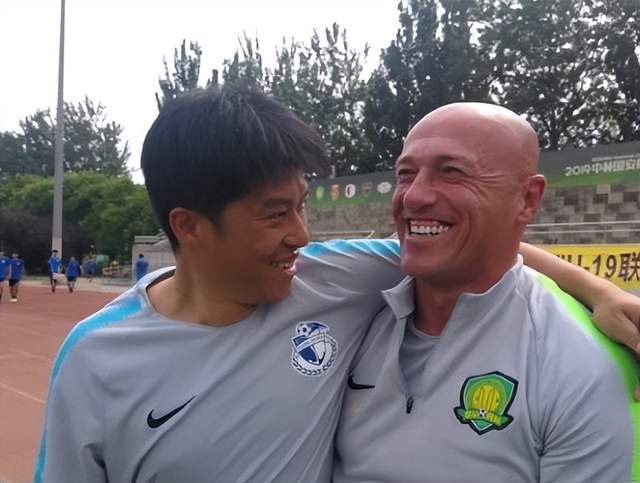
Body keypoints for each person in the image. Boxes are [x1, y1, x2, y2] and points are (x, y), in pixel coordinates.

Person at [35, 90, 640, 483]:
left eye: (301, 206)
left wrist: (597, 290)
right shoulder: (97, 358)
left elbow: (471, 244)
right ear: (190, 226)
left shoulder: (330, 276)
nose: (301, 235)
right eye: (276, 215)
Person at [335, 103, 639, 482]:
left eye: (452, 172)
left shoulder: (578, 366)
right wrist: (594, 285)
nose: (413, 196)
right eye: (405, 173)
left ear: (527, 198)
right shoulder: (350, 303)